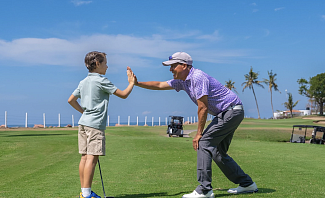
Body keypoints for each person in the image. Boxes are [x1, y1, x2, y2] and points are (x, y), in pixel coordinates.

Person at [131, 52, 258, 198]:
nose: (170, 69)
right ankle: (247, 184)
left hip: (230, 111)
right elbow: (160, 85)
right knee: (218, 152)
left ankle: (205, 190)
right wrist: (137, 83)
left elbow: (202, 107)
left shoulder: (197, 77)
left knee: (203, 143)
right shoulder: (183, 81)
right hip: (229, 112)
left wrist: (198, 133)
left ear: (184, 65)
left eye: (173, 66)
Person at [68, 51, 135, 198]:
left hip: (83, 124)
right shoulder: (102, 80)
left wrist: (84, 113)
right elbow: (123, 94)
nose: (107, 66)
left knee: (84, 157)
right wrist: (131, 83)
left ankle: (84, 192)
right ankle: (86, 194)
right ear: (97, 64)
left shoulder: (83, 82)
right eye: (105, 63)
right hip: (95, 125)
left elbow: (71, 100)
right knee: (92, 157)